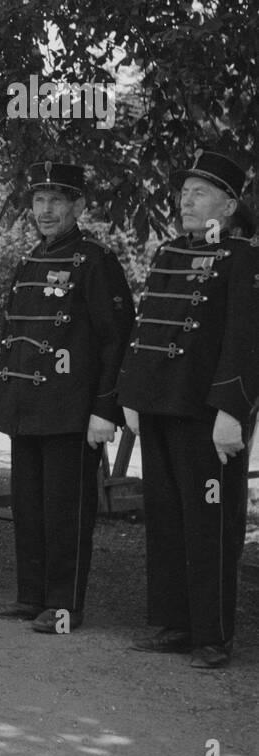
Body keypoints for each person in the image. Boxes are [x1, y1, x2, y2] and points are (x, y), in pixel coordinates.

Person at [0, 161, 134, 634]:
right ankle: (32, 596)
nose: (45, 210)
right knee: (29, 505)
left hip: (72, 409)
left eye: (57, 201)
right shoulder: (29, 260)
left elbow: (116, 340)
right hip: (26, 406)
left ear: (78, 206)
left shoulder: (95, 261)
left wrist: (105, 410)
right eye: (39, 200)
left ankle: (64, 606)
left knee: (67, 510)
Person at [118, 150, 259, 669]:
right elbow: (147, 328)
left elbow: (246, 343)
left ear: (229, 202)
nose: (186, 201)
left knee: (210, 523)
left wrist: (232, 411)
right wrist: (130, 395)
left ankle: (212, 635)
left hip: (205, 414)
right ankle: (174, 624)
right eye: (183, 193)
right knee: (167, 520)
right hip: (159, 406)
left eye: (199, 193)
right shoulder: (169, 253)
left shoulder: (244, 259)